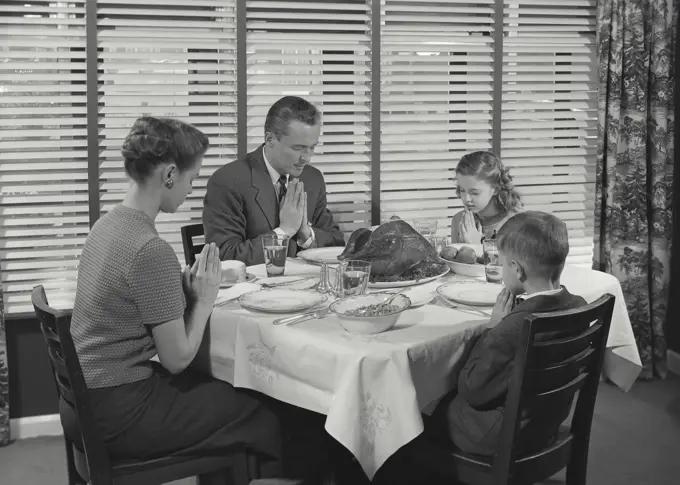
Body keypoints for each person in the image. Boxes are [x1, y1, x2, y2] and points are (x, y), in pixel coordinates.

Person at [66, 117, 283, 475]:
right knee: (259, 404)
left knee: (222, 391)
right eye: (192, 178)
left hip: (80, 405)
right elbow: (177, 360)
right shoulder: (149, 249)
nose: (190, 189)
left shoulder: (106, 226)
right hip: (120, 411)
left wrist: (179, 290)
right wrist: (204, 298)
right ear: (169, 175)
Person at [431, 211, 587, 456]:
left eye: (502, 264)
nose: (501, 269)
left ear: (517, 270)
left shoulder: (515, 327)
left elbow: (472, 389)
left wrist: (494, 327)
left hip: (498, 435)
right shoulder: (579, 306)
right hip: (545, 424)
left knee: (423, 406)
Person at [203, 96, 345, 266]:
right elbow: (225, 257)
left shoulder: (312, 179)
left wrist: (306, 234)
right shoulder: (228, 181)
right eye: (298, 148)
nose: (306, 158)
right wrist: (284, 232)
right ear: (270, 139)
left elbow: (336, 245)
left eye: (312, 147)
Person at [450, 151, 523, 244]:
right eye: (462, 190)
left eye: (475, 192)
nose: (466, 199)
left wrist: (475, 246)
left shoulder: (517, 222)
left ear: (495, 189)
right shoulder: (459, 220)